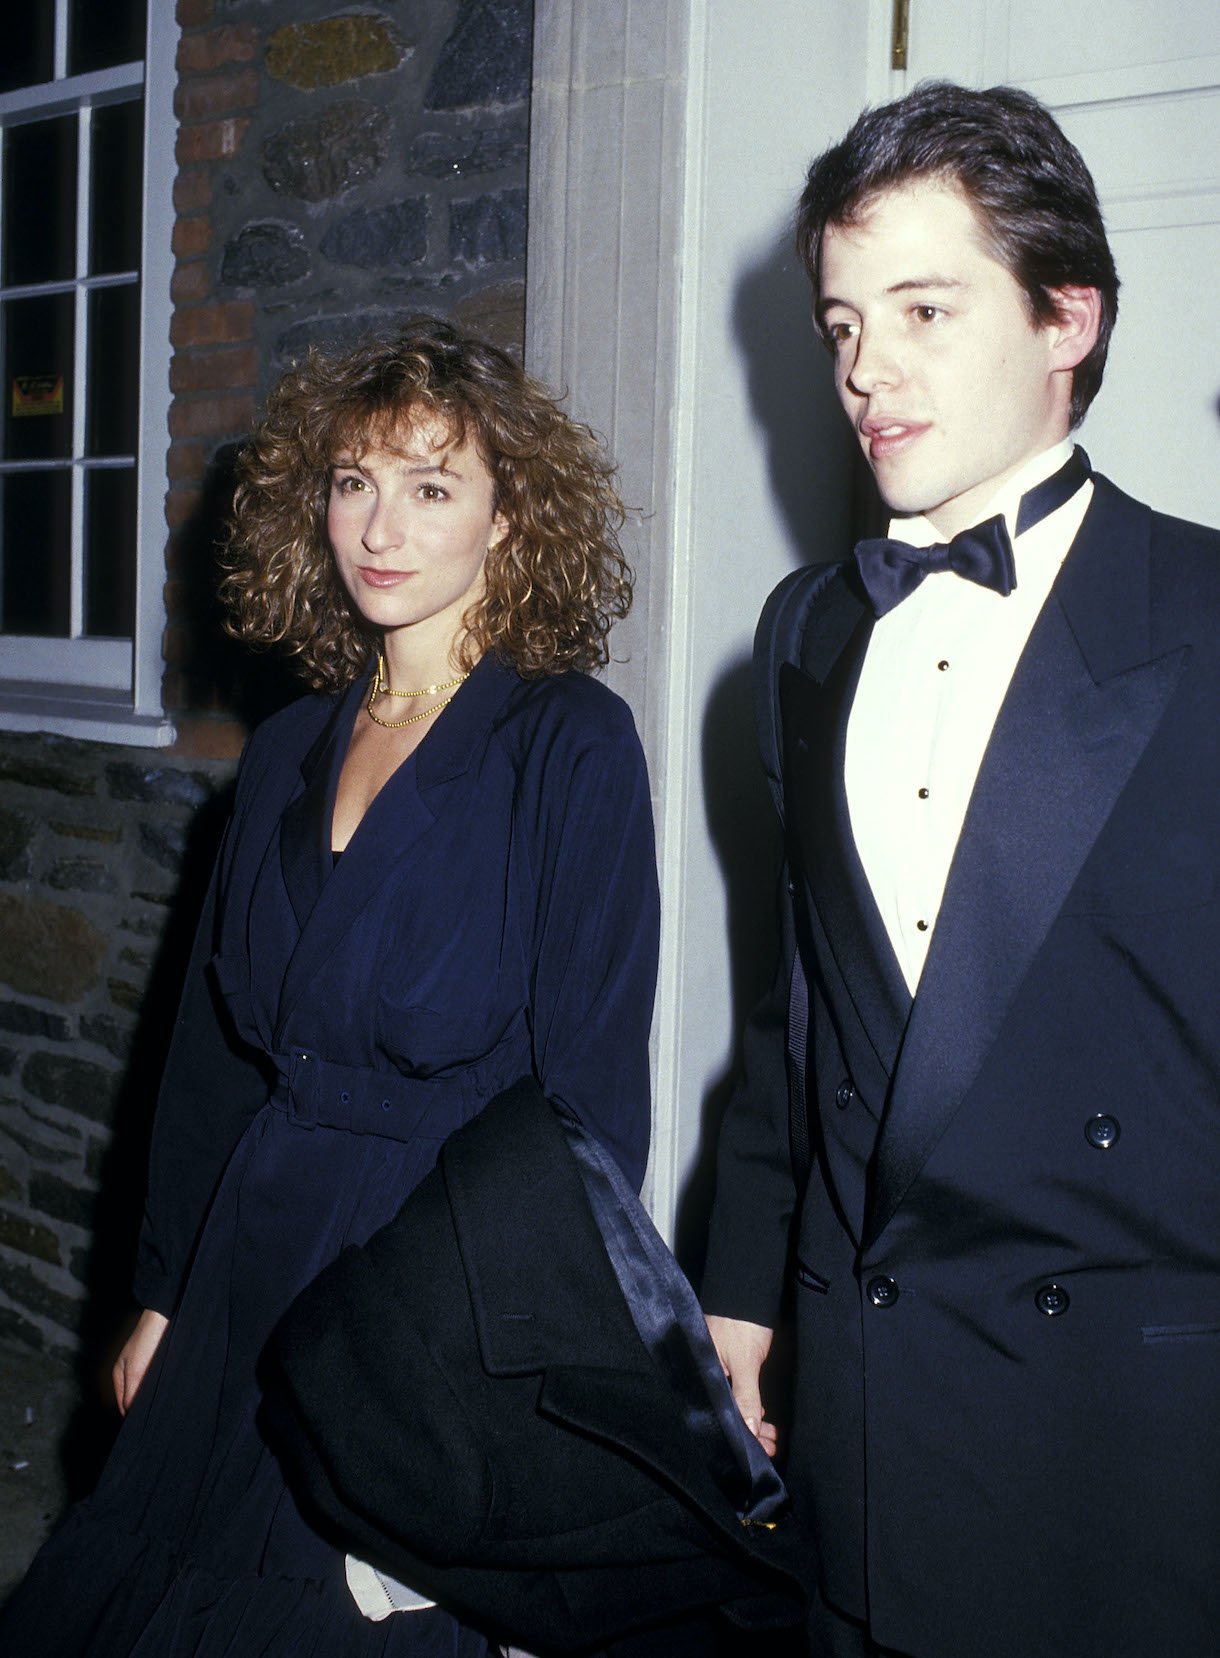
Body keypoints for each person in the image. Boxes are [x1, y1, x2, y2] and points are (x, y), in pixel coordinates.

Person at [1, 317, 660, 1655]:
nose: (380, 524)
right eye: (354, 481)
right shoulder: (294, 745)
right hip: (254, 1251)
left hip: (423, 1289)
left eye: (431, 486)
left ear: (510, 518)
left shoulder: (569, 745)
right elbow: (210, 1057)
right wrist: (166, 1290)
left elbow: (587, 1106)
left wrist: (522, 1396)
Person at [701, 81, 1219, 1658]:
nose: (866, 369)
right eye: (844, 320)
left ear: (1070, 317)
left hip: (1128, 1452)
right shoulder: (801, 636)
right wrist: (735, 1297)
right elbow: (796, 1023)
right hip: (865, 1424)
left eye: (925, 307)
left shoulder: (1202, 617)